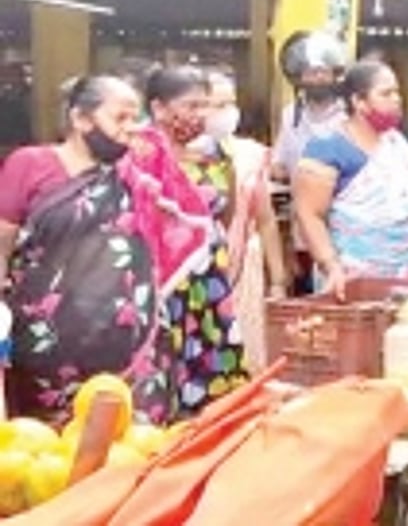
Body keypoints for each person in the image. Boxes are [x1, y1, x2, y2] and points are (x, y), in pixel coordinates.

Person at [0, 76, 180, 425]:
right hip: (46, 339)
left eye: (135, 118)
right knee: (46, 446)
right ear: (81, 119)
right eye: (120, 118)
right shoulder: (31, 163)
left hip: (127, 338)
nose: (130, 129)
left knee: (128, 441)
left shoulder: (136, 175)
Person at [145, 67, 251, 415]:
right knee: (165, 366)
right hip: (161, 284)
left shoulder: (215, 159)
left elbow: (226, 215)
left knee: (212, 373)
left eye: (205, 106)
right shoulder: (141, 160)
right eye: (191, 105)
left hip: (208, 284)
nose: (201, 115)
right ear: (159, 108)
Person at [292, 61, 408, 300]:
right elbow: (308, 214)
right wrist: (331, 266)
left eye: (397, 92)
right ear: (358, 101)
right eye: (386, 93)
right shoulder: (328, 148)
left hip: (405, 273)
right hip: (350, 274)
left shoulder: (396, 143)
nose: (397, 99)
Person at [197, 71, 288, 373]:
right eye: (217, 104)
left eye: (230, 103)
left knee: (244, 360)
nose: (227, 113)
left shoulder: (250, 155)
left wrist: (277, 280)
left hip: (244, 272)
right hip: (197, 273)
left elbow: (265, 220)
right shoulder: (175, 158)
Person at [271, 30, 349, 295]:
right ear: (298, 77)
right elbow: (279, 164)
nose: (317, 77)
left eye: (323, 71)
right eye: (310, 72)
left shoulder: (349, 115)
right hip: (303, 226)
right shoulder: (290, 115)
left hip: (344, 224)